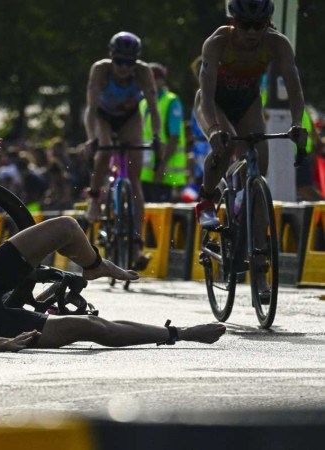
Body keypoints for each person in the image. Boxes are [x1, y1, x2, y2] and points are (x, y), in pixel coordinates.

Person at [0, 131, 226, 352]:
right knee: (89, 328)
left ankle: (94, 265)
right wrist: (2, 344)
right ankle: (180, 333)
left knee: (65, 227)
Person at [193, 0, 308, 229]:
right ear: (234, 22)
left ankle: (254, 245)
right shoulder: (217, 43)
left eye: (259, 25)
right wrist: (214, 129)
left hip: (248, 103)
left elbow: (295, 91)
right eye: (246, 25)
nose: (253, 32)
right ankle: (206, 199)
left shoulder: (278, 43)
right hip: (215, 103)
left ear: (267, 23)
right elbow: (206, 96)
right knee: (225, 143)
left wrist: (297, 124)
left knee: (259, 168)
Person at [84, 31, 161, 270]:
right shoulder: (100, 70)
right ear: (111, 57)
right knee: (105, 151)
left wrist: (157, 137)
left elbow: (154, 110)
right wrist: (90, 139)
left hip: (130, 118)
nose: (124, 68)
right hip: (103, 117)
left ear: (136, 61)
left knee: (134, 180)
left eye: (129, 62)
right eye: (119, 61)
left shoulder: (143, 72)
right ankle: (95, 198)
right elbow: (91, 108)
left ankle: (137, 245)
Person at [139, 63, 188, 203]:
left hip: (164, 173)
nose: (151, 83)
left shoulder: (171, 101)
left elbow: (174, 137)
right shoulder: (142, 103)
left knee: (162, 216)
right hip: (146, 174)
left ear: (162, 80)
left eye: (155, 78)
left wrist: (161, 167)